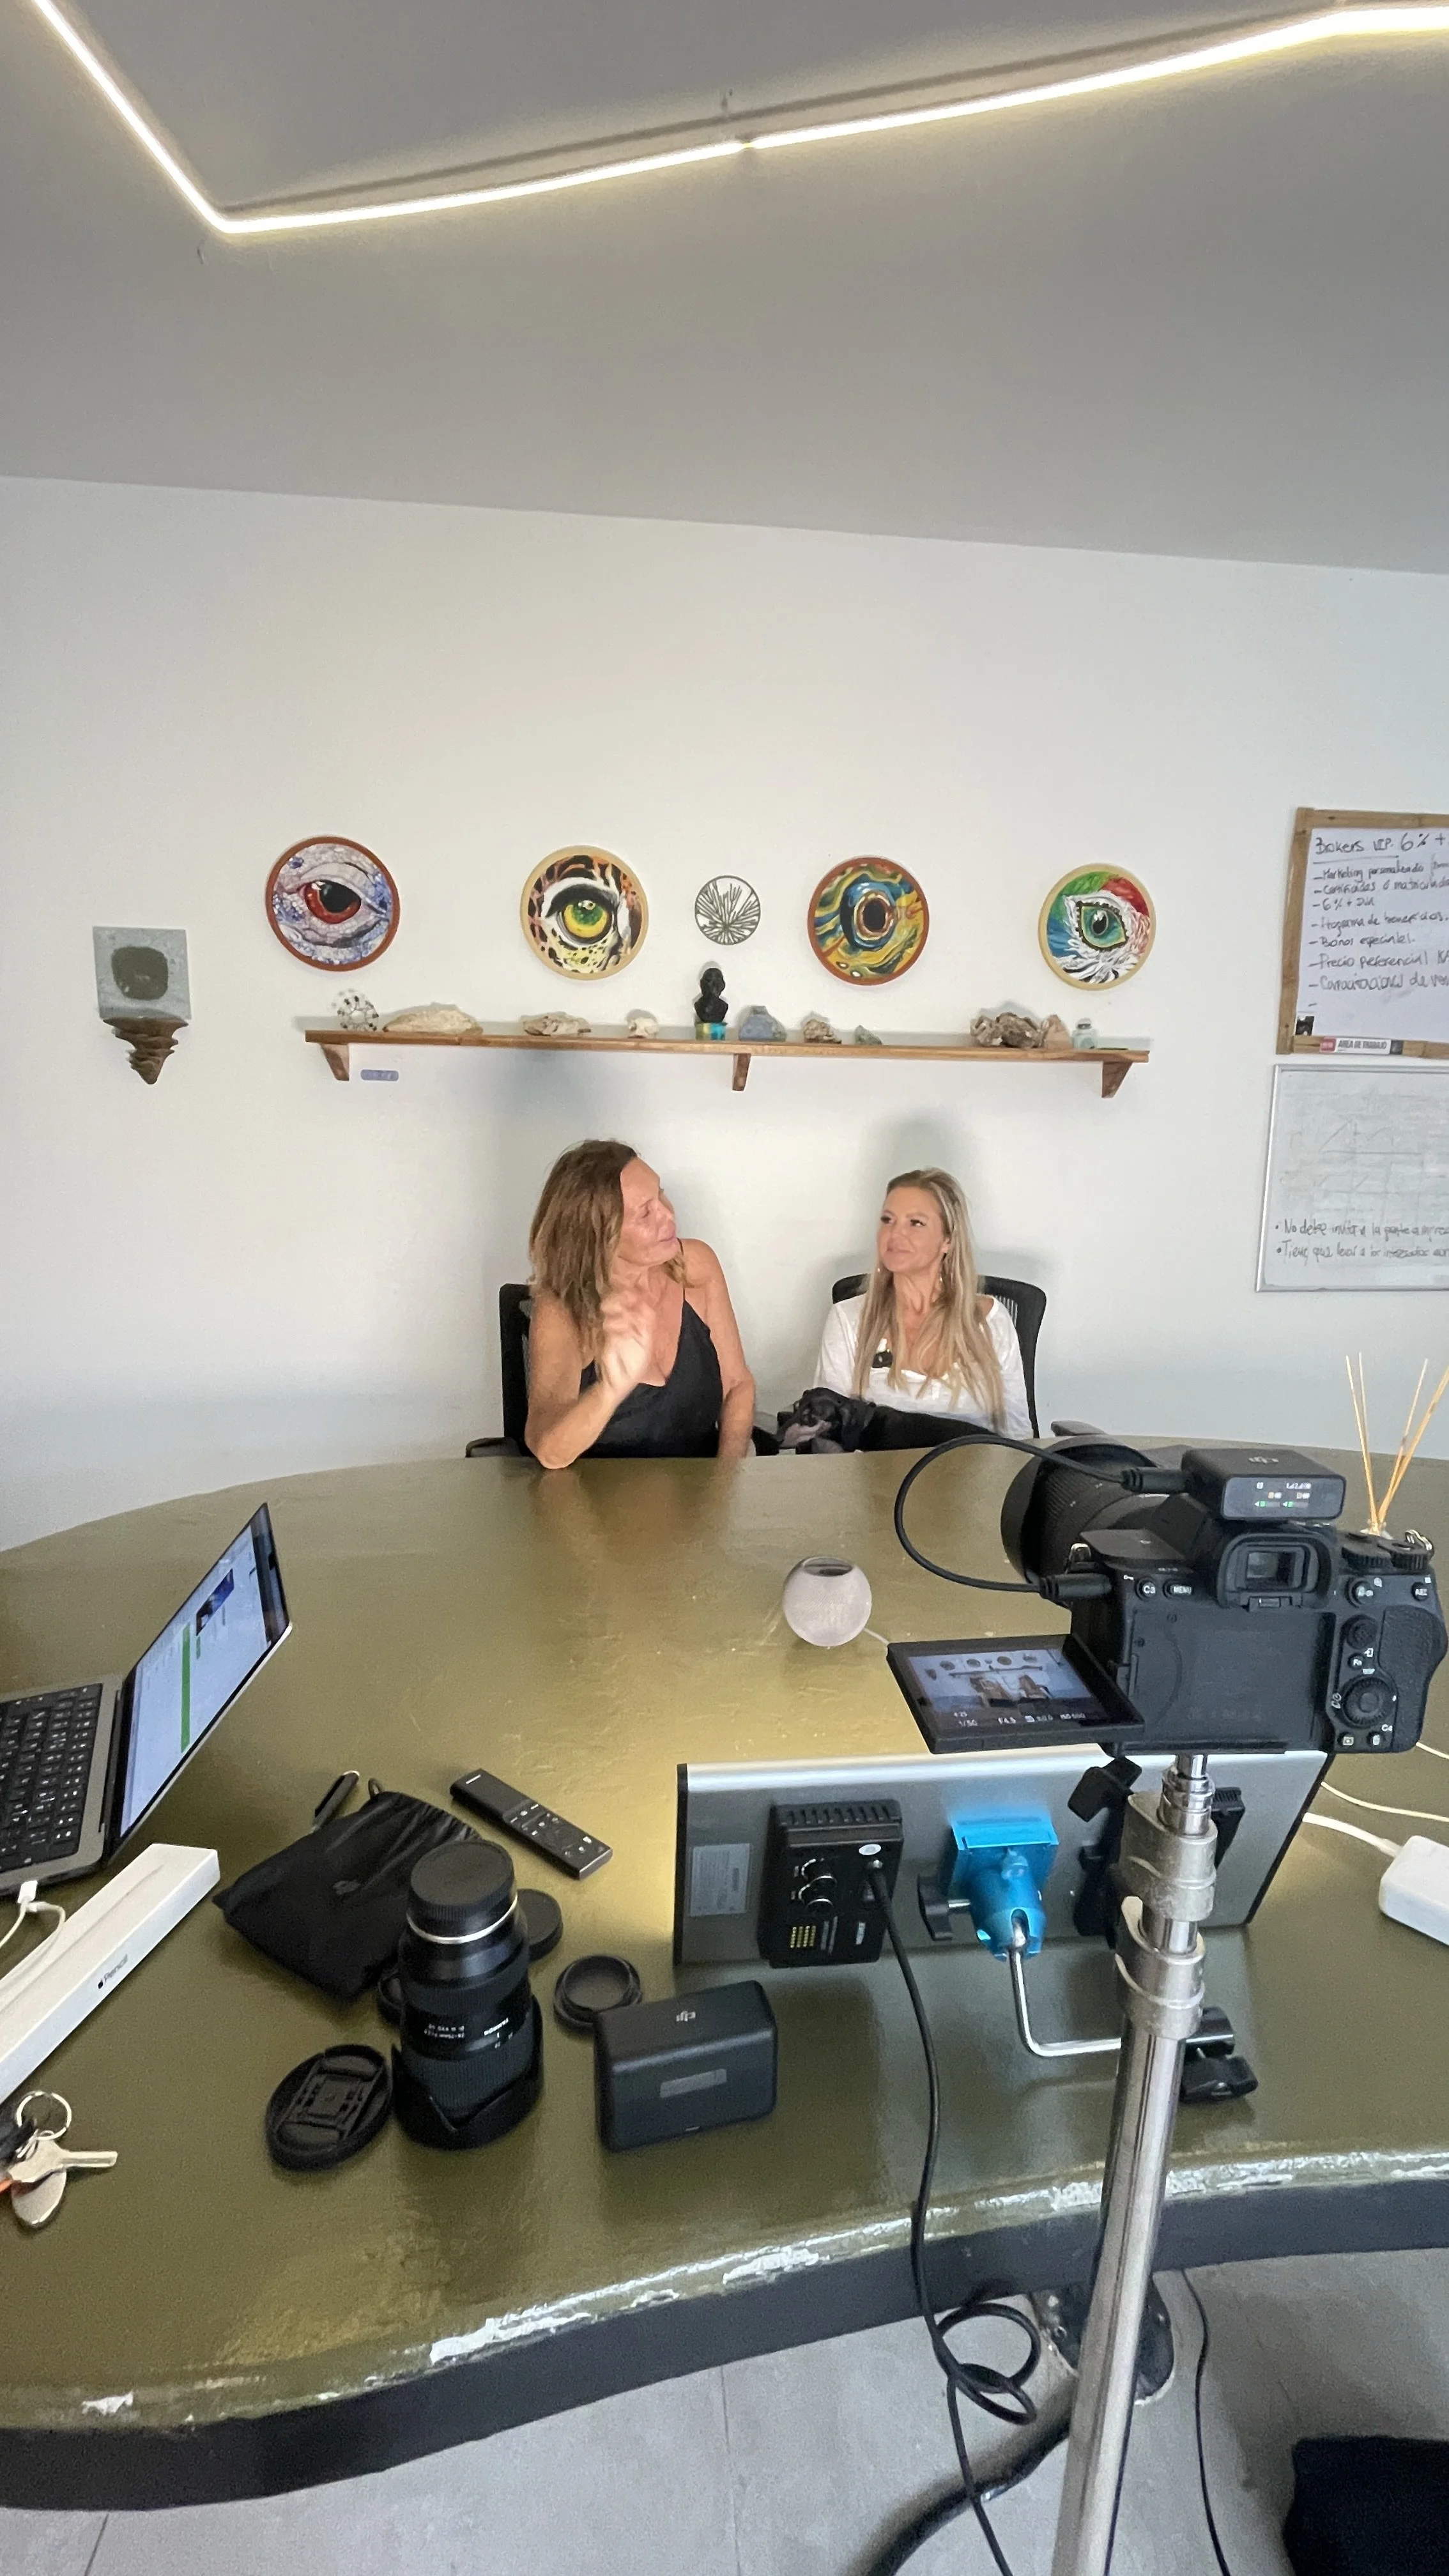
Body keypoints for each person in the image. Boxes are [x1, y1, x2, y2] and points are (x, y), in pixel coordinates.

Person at [525, 1140, 756, 1468]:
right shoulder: (562, 1307)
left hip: (699, 1494)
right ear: (600, 1237)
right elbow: (549, 1452)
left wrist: (726, 1476)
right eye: (645, 1213)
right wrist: (610, 1392)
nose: (668, 1214)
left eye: (661, 1195)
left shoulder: (697, 1266)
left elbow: (738, 1386)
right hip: (598, 1499)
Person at [814, 1167, 1032, 1436]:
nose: (895, 1234)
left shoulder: (990, 1321)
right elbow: (828, 1434)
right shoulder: (847, 1319)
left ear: (947, 1240)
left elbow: (1018, 1434)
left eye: (915, 1223)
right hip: (880, 1466)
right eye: (888, 1220)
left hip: (974, 1463)